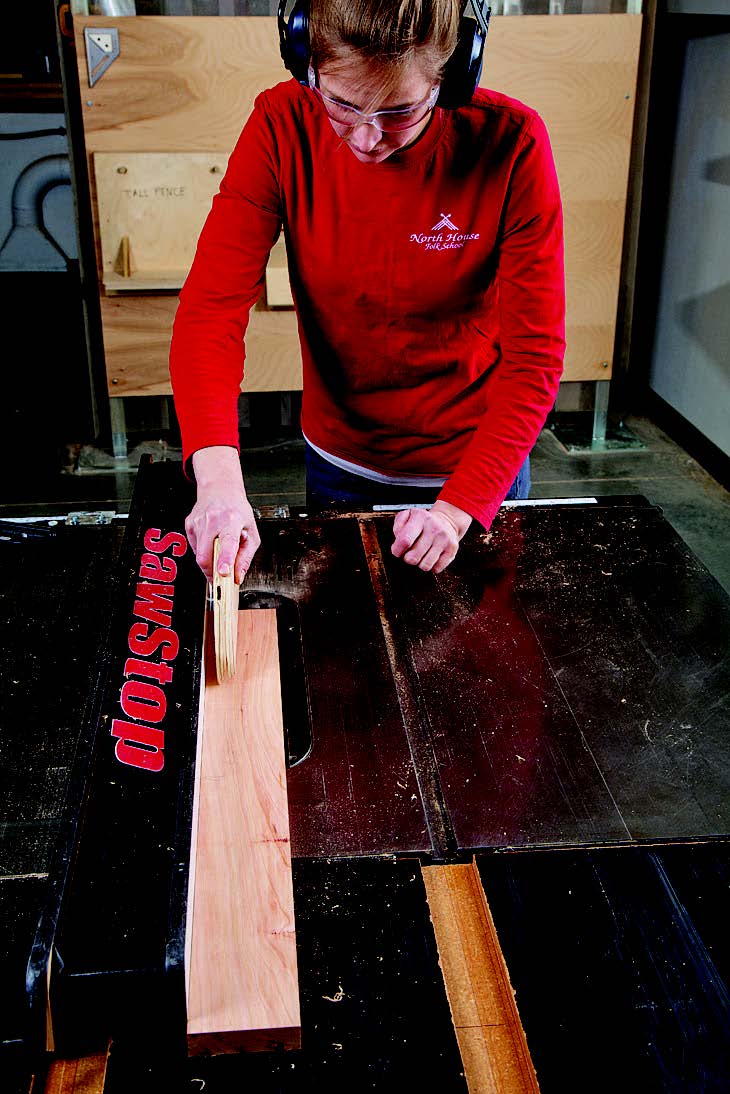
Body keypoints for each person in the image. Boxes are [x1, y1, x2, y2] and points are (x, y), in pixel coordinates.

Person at [170, 0, 565, 584]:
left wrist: (458, 511)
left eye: (400, 111)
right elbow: (211, 312)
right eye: (341, 103)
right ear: (308, 64)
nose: (365, 138)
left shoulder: (511, 143)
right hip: (340, 462)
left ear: (451, 75)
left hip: (475, 465)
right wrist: (220, 482)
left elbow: (535, 357)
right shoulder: (281, 124)